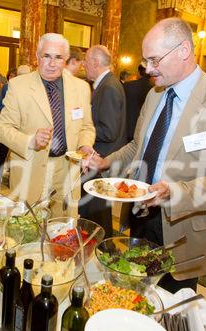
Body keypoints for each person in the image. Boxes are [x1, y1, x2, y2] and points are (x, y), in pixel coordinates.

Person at [87, 18, 206, 293]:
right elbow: (137, 147)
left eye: (154, 60)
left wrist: (174, 192)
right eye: (145, 61)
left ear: (184, 50)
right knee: (138, 293)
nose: (148, 69)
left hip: (185, 225)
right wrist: (106, 162)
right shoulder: (154, 95)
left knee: (172, 306)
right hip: (141, 215)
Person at [0, 33, 96, 217]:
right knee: (27, 227)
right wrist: (30, 142)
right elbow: (2, 129)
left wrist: (85, 145)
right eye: (46, 56)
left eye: (58, 57)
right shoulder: (18, 86)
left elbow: (87, 127)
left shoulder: (81, 87)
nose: (52, 63)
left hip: (68, 169)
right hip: (30, 167)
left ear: (66, 60)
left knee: (62, 230)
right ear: (37, 57)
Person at [80, 45, 127, 237]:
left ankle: (103, 249)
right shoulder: (105, 84)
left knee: (97, 213)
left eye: (86, 61)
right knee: (95, 211)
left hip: (102, 159)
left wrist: (81, 132)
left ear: (95, 62)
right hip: (99, 158)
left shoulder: (109, 87)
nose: (84, 65)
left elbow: (109, 131)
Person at [124, 64, 154, 141]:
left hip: (128, 128)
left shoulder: (128, 86)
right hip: (146, 130)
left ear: (138, 72)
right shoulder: (155, 89)